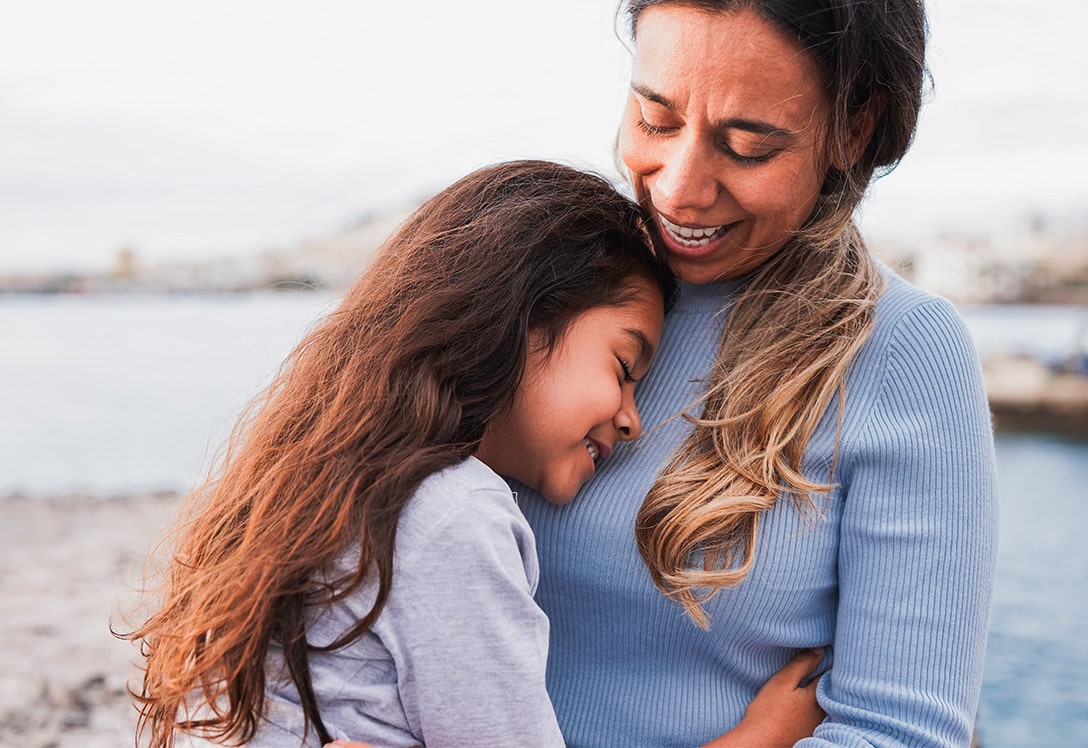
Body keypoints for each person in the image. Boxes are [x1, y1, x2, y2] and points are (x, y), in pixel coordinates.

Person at [506, 1, 998, 747]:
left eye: (746, 146)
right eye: (654, 120)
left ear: (853, 129)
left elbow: (902, 735)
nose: (678, 190)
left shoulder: (903, 352)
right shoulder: (537, 275)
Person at [123, 159, 679, 747]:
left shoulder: (319, 487)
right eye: (623, 368)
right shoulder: (454, 512)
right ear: (523, 316)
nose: (632, 420)